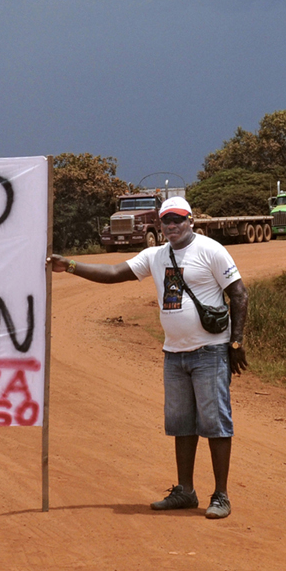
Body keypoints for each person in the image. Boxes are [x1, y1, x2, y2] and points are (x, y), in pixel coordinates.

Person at [47, 196, 249, 519]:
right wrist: (69, 265)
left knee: (215, 423)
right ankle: (185, 491)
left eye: (178, 220)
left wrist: (236, 342)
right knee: (181, 424)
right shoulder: (155, 256)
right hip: (174, 354)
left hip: (210, 352)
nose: (171, 226)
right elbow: (114, 272)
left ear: (191, 220)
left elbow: (239, 294)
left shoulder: (211, 250)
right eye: (166, 221)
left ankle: (221, 495)